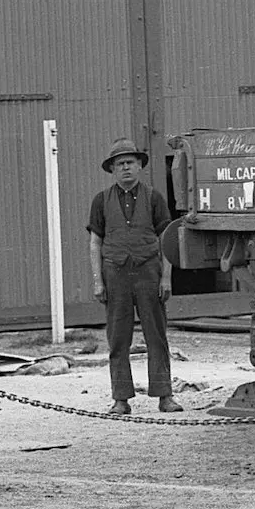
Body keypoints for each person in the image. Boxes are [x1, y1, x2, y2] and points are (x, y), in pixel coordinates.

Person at [87, 137, 183, 417]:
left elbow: (167, 239)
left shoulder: (154, 198)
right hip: (115, 275)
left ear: (140, 166)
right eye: (120, 164)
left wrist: (166, 278)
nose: (126, 168)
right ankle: (121, 399)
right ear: (112, 169)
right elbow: (95, 243)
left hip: (148, 274)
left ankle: (165, 396)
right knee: (118, 340)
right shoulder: (100, 201)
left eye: (130, 162)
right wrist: (97, 280)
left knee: (156, 336)